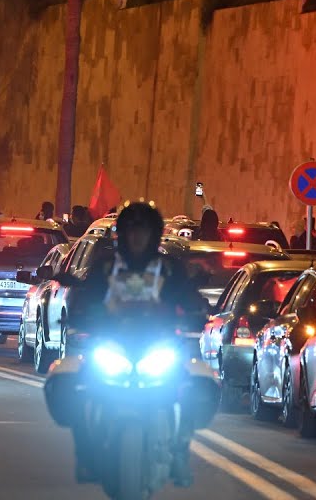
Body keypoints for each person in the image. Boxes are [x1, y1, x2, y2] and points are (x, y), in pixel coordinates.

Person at [64, 201, 209, 486]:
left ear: (153, 234)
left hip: (159, 345)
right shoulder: (105, 268)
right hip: (111, 344)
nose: (137, 238)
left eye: (143, 232)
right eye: (131, 231)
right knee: (69, 385)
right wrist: (78, 316)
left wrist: (197, 314)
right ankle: (85, 451)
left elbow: (189, 298)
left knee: (196, 386)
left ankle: (180, 448)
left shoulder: (169, 269)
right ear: (122, 234)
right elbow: (85, 298)